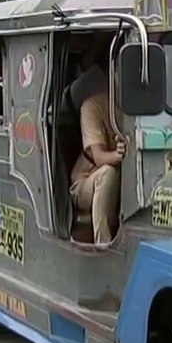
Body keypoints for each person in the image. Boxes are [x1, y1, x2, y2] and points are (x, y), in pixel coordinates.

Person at [69, 72, 125, 245]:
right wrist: (118, 155)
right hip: (85, 183)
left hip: (123, 178)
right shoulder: (92, 106)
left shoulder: (143, 108)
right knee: (107, 172)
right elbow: (100, 158)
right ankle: (103, 244)